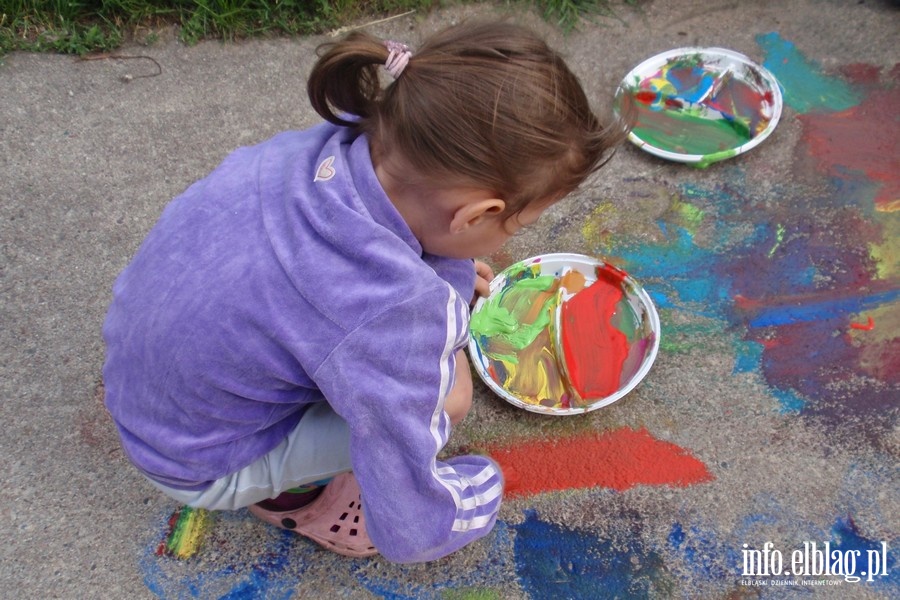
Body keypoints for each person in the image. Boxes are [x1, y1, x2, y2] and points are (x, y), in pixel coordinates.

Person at [102, 20, 627, 563]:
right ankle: (292, 498)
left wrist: (443, 260)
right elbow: (407, 498)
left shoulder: (316, 151)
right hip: (199, 461)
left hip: (149, 379)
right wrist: (466, 499)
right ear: (477, 215)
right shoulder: (388, 310)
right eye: (517, 225)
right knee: (448, 395)